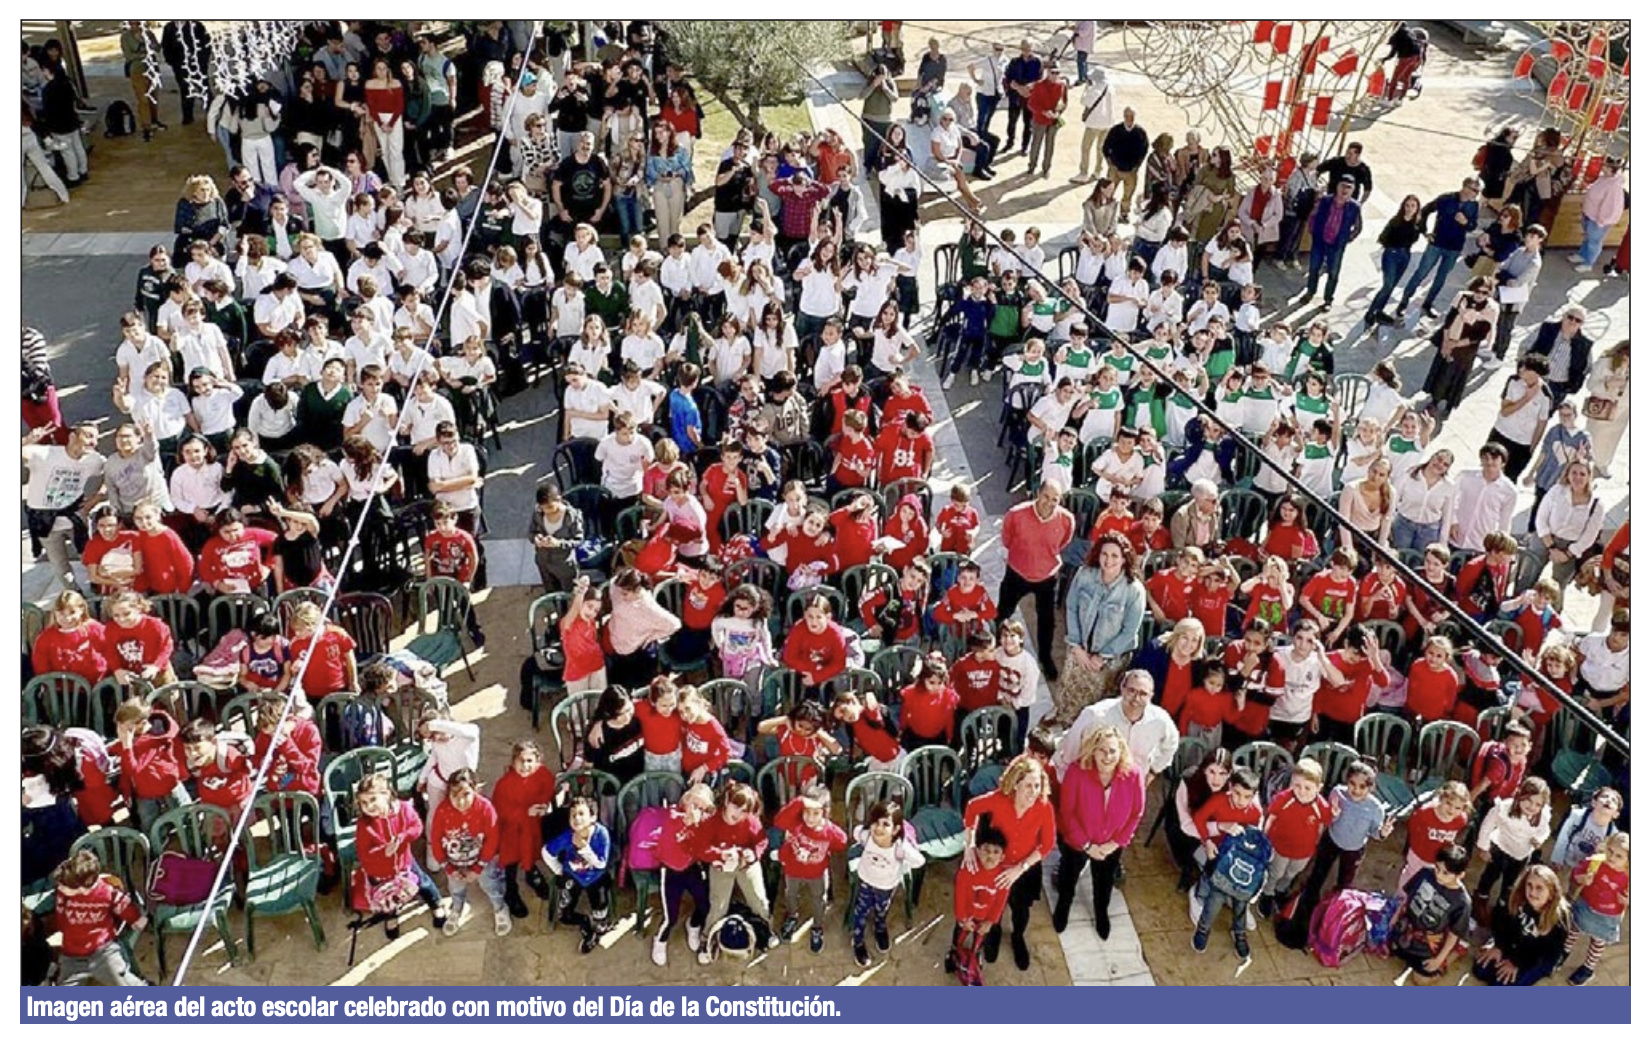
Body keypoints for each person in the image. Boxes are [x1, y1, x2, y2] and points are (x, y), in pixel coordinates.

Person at [1050, 725, 1145, 940]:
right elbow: (1067, 811)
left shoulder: (1133, 775)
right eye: (1102, 750)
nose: (1107, 756)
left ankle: (1101, 913)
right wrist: (1086, 846)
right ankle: (1063, 907)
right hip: (1078, 842)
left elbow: (1136, 813)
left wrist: (1116, 843)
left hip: (1110, 844)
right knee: (1068, 878)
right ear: (1093, 750)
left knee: (1104, 883)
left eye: (1112, 751)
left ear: (1121, 752)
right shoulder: (1077, 771)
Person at [962, 757, 1055, 971]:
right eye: (1028, 786)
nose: (1033, 791)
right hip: (997, 866)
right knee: (995, 906)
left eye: (1037, 785)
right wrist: (970, 844)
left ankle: (1018, 937)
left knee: (1021, 909)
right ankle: (992, 934)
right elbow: (972, 808)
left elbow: (1047, 843)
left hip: (1024, 868)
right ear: (1015, 784)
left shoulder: (1044, 807)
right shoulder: (999, 799)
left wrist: (1020, 868)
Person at [1055, 533, 1147, 722]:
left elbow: (1129, 632)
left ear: (1124, 559)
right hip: (1079, 651)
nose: (1108, 560)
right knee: (1068, 704)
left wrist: (1102, 657)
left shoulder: (1134, 590)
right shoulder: (1084, 574)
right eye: (1104, 554)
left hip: (1109, 661)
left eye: (1115, 556)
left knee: (1096, 711)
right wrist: (1076, 646)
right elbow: (1071, 607)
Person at [997, 480, 1077, 681]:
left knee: (1047, 621)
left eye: (1055, 499)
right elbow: (1007, 539)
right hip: (1017, 572)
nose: (1049, 503)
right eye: (1046, 497)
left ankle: (1045, 656)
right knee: (1003, 612)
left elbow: (1063, 542)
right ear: (1037, 494)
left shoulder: (1067, 520)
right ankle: (998, 648)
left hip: (1046, 577)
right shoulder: (1016, 514)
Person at [50, 849, 148, 986]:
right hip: (71, 955)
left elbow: (125, 907)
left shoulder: (107, 893)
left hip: (103, 952)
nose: (61, 888)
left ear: (86, 886)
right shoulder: (63, 895)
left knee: (124, 984)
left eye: (66, 886)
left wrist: (135, 919)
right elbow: (61, 921)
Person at [771, 784, 848, 953]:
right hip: (793, 871)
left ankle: (817, 927)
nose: (810, 818)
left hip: (817, 874)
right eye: (806, 812)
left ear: (824, 813)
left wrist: (827, 828)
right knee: (790, 895)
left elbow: (842, 841)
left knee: (819, 899)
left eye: (816, 813)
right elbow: (778, 821)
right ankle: (792, 917)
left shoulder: (829, 831)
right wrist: (799, 802)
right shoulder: (795, 824)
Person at [1399, 177, 1482, 318]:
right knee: (1421, 272)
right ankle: (1404, 301)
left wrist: (1466, 222)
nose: (1476, 194)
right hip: (1437, 243)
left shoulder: (1473, 206)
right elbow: (1425, 210)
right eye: (1474, 190)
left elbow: (1473, 225)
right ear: (1465, 187)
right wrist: (1425, 232)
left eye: (1478, 191)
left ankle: (1428, 304)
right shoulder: (1446, 199)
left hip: (1454, 247)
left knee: (1441, 278)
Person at [1389, 844, 1472, 984]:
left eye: (1445, 873)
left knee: (1420, 980)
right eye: (1437, 868)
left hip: (1429, 942)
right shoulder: (1426, 872)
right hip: (1407, 929)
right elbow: (1408, 897)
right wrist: (1395, 916)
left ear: (1460, 875)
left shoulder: (1462, 902)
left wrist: (1439, 959)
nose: (1439, 875)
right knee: (1391, 949)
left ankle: (1455, 953)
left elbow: (1454, 933)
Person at [1420, 277, 1499, 423]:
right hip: (1449, 338)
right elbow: (1449, 320)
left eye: (1484, 292)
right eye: (1477, 290)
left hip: (1466, 348)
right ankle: (1435, 401)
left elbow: (1480, 334)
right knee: (1441, 371)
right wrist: (1446, 342)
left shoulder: (1490, 310)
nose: (1480, 295)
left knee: (1455, 375)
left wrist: (1456, 344)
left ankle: (1449, 405)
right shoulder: (1462, 298)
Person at [543, 796, 614, 953]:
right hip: (573, 875)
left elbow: (601, 863)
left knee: (600, 912)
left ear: (593, 817)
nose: (577, 818)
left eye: (581, 814)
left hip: (596, 877)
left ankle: (599, 926)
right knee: (564, 915)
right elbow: (547, 852)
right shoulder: (567, 836)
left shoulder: (601, 834)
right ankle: (584, 923)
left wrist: (583, 848)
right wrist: (559, 871)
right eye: (573, 815)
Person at [1563, 831, 1630, 985]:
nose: (1611, 857)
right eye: (1610, 851)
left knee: (1598, 942)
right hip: (1585, 904)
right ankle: (1563, 952)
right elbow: (1576, 872)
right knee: (1574, 929)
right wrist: (1581, 878)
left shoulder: (1628, 877)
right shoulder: (1596, 861)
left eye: (1619, 856)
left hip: (1607, 916)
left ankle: (1588, 968)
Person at [1302, 175, 1363, 308]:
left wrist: (1347, 238)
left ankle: (1328, 299)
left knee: (1333, 273)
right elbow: (1313, 214)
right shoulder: (1325, 200)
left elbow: (1358, 227)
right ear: (1337, 186)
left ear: (1353, 190)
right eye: (1343, 186)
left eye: (1349, 187)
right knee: (1314, 268)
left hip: (1336, 245)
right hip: (1320, 241)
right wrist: (1312, 230)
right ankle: (1310, 292)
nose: (1344, 190)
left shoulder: (1354, 207)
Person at [1365, 193, 1425, 325]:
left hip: (1405, 255)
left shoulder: (1417, 224)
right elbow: (1383, 237)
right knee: (1387, 285)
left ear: (1417, 208)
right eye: (1407, 205)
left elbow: (1416, 238)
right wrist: (1392, 245)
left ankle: (1379, 311)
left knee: (1391, 286)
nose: (1409, 208)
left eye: (1413, 206)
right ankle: (1371, 312)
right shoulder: (1396, 221)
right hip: (1391, 253)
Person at [1582, 339, 1629, 479]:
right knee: (1595, 438)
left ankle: (1602, 465)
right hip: (1602, 407)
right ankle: (1585, 464)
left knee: (1611, 441)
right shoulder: (1605, 363)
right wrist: (1608, 384)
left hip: (1622, 411)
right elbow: (1591, 385)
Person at [1573, 157, 1627, 273]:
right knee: (1588, 237)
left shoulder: (1614, 186)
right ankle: (1582, 255)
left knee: (1594, 241)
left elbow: (1611, 206)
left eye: (1605, 165)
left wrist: (1602, 221)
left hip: (1598, 220)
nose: (1602, 167)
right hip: (1589, 214)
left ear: (1610, 168)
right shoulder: (1604, 178)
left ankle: (1589, 263)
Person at [1024, 62, 1069, 180]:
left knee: (1050, 146)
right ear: (1048, 73)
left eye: (1057, 73)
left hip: (1053, 121)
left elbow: (1064, 103)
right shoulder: (1039, 85)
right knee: (1036, 144)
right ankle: (1032, 166)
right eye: (1053, 73)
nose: (1055, 75)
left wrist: (1058, 113)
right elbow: (1031, 104)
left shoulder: (1062, 86)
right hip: (1040, 120)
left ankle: (1046, 168)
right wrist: (1043, 112)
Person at [1101, 108, 1149, 216]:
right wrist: (1110, 164)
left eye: (1131, 116)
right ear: (1124, 116)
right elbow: (1105, 148)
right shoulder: (1115, 130)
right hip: (1115, 170)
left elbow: (1144, 150)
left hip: (1131, 171)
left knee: (1128, 195)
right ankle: (1106, 213)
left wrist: (1137, 167)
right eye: (1127, 116)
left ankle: (1124, 213)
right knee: (1108, 192)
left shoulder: (1140, 132)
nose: (1129, 119)